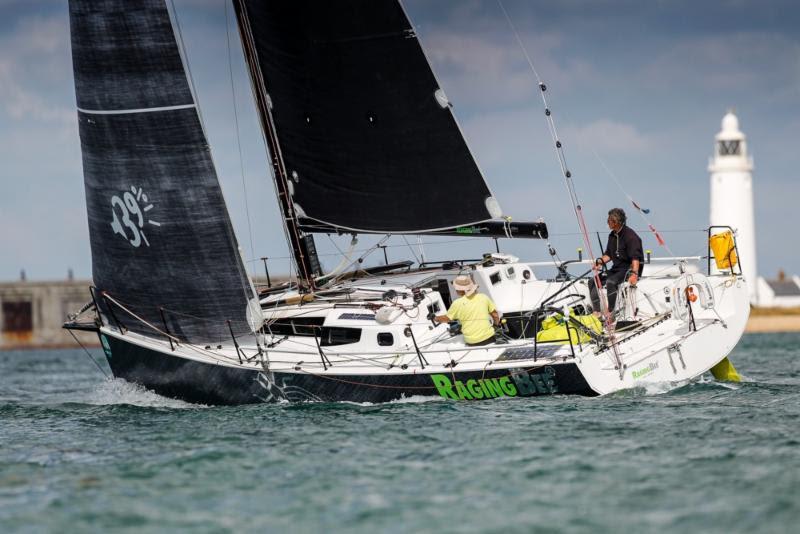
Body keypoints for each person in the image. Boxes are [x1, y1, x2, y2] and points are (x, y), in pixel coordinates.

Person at [590, 208, 643, 318]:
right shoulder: (612, 235)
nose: (607, 222)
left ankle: (610, 312)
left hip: (627, 269)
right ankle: (597, 312)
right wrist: (599, 261)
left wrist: (634, 274)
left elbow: (635, 258)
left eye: (609, 220)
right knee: (592, 281)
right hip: (616, 268)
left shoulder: (631, 236)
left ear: (616, 222)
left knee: (611, 282)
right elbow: (609, 254)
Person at [431, 274, 500, 346]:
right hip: (490, 337)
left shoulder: (457, 303)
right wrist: (495, 326)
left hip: (472, 342)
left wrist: (434, 318)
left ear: (458, 290)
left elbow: (446, 319)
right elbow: (495, 315)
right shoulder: (483, 297)